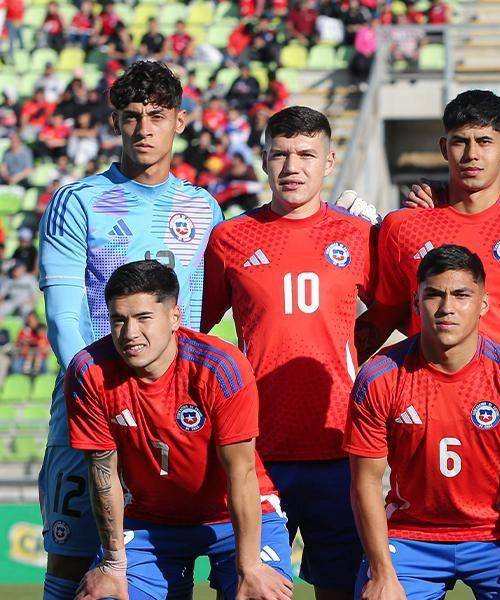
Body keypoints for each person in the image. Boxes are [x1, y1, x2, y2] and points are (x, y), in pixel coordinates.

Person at [37, 60, 224, 599]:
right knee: (72, 564)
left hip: (169, 411)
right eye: (133, 116)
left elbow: (195, 314)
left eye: (157, 116)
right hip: (89, 401)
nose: (145, 128)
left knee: (165, 562)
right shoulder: (78, 202)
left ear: (180, 122)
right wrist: (96, 394)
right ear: (116, 121)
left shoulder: (202, 208)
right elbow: (64, 316)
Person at [201, 106, 375, 600]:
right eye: (279, 154)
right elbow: (197, 332)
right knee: (250, 587)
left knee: (342, 588)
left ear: (329, 161)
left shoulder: (356, 235)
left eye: (305, 154)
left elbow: (394, 312)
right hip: (254, 448)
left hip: (338, 442)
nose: (291, 166)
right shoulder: (229, 238)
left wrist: (346, 353)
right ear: (262, 160)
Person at [65, 260, 293, 600]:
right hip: (148, 520)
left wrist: (249, 567)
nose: (129, 333)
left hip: (236, 517)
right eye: (119, 320)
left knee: (261, 595)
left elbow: (242, 472)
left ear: (175, 317)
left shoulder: (220, 367)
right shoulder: (90, 370)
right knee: (108, 597)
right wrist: (113, 565)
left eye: (143, 318)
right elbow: (103, 474)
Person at [345, 245, 500, 599]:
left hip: (499, 535)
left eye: (461, 295)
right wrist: (382, 573)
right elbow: (365, 484)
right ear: (415, 303)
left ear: (483, 304)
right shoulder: (380, 376)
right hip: (411, 537)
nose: (446, 308)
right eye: (434, 295)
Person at [363, 90, 500, 363]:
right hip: (427, 395)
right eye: (460, 142)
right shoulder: (403, 226)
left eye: (484, 142)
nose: (472, 154)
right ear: (444, 148)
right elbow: (386, 315)